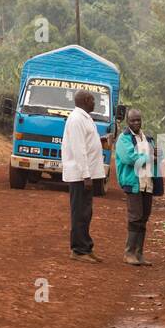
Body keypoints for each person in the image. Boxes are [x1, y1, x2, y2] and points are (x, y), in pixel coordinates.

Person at [61, 90, 106, 263]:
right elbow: (79, 150)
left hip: (87, 174)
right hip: (80, 176)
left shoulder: (85, 117)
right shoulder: (76, 119)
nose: (95, 102)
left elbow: (86, 143)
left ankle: (86, 247)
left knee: (86, 212)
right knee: (80, 212)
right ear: (86, 100)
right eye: (93, 99)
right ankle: (78, 250)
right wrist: (86, 176)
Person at [115, 108, 163, 266]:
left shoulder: (147, 138)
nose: (136, 123)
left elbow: (154, 158)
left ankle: (139, 253)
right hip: (133, 182)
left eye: (138, 120)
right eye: (133, 120)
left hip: (147, 183)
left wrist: (156, 154)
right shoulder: (124, 138)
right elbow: (129, 158)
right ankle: (128, 253)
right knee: (135, 217)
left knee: (143, 217)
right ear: (127, 122)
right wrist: (150, 156)